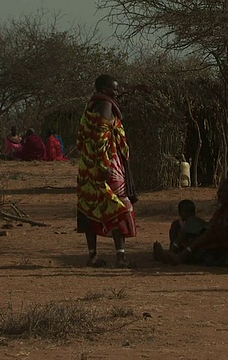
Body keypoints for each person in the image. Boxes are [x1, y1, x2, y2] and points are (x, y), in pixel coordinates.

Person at [76, 74, 138, 268]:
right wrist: (104, 167)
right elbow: (101, 138)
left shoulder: (91, 106)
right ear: (104, 89)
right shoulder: (106, 105)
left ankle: (92, 256)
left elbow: (84, 139)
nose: (117, 92)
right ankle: (121, 257)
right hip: (107, 166)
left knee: (90, 207)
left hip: (87, 167)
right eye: (114, 89)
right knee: (120, 206)